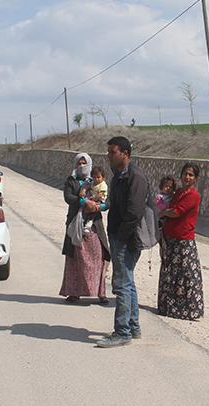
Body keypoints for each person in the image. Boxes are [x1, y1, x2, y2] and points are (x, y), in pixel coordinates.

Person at [97, 136, 149, 348]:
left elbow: (135, 212)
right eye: (108, 151)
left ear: (124, 154)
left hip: (126, 239)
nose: (108, 155)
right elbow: (114, 202)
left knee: (121, 285)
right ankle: (133, 327)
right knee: (128, 282)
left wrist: (121, 237)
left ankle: (122, 332)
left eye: (112, 152)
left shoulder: (135, 176)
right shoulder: (119, 175)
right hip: (119, 236)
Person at [60, 153, 110, 305]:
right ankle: (74, 293)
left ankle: (100, 293)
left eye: (84, 163)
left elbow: (108, 201)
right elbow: (68, 197)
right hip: (76, 224)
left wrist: (99, 206)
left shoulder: (96, 179)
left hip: (94, 226)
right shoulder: (71, 181)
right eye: (79, 163)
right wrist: (84, 202)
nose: (82, 166)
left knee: (98, 258)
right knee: (75, 258)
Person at [157, 162, 204, 320]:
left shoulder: (193, 195)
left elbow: (177, 212)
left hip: (183, 242)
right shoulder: (178, 192)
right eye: (185, 174)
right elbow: (169, 205)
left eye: (191, 175)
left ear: (195, 178)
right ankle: (168, 307)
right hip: (170, 239)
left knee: (186, 276)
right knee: (169, 273)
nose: (187, 177)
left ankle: (187, 310)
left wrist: (162, 214)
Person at [80, 166, 108, 235]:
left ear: (103, 177)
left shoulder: (103, 185)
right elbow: (87, 186)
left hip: (99, 200)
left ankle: (88, 225)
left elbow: (100, 194)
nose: (96, 179)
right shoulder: (93, 183)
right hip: (92, 198)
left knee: (92, 209)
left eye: (98, 177)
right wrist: (83, 190)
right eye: (94, 177)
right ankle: (84, 223)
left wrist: (94, 199)